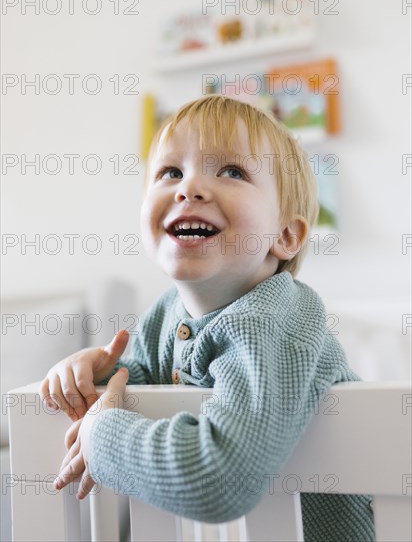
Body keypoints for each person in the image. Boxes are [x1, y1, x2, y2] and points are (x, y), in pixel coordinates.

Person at [41, 95, 375, 541]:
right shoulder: (165, 314)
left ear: (287, 235)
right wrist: (98, 375)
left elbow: (220, 477)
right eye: (171, 172)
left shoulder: (274, 319)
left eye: (232, 172)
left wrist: (103, 436)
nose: (189, 188)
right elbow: (140, 385)